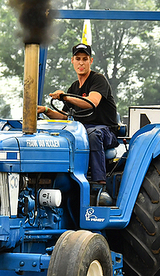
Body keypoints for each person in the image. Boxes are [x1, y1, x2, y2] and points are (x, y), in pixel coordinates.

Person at [37, 43, 119, 185]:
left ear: (90, 61)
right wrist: (46, 110)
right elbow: (63, 117)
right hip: (81, 130)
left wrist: (64, 97)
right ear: (72, 61)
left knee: (93, 134)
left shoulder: (98, 80)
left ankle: (98, 182)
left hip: (105, 131)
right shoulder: (74, 87)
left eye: (85, 59)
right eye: (78, 58)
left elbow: (92, 102)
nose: (81, 62)